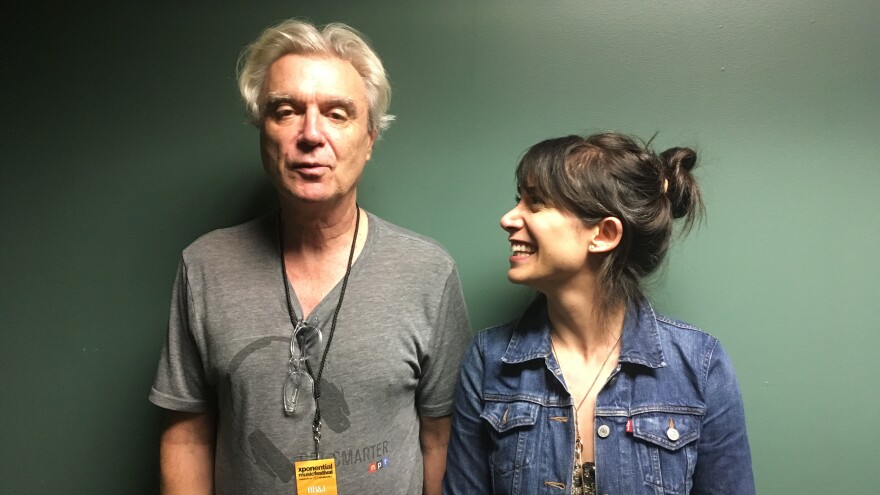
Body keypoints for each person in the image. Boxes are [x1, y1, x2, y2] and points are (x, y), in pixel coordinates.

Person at [149, 19, 471, 495]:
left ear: (370, 138)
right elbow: (188, 437)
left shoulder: (428, 273)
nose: (311, 134)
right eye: (286, 111)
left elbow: (439, 438)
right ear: (262, 131)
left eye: (338, 114)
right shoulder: (205, 266)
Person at [443, 132, 755, 494]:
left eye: (537, 202)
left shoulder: (700, 365)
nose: (509, 218)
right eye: (519, 200)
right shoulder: (487, 360)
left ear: (603, 233)